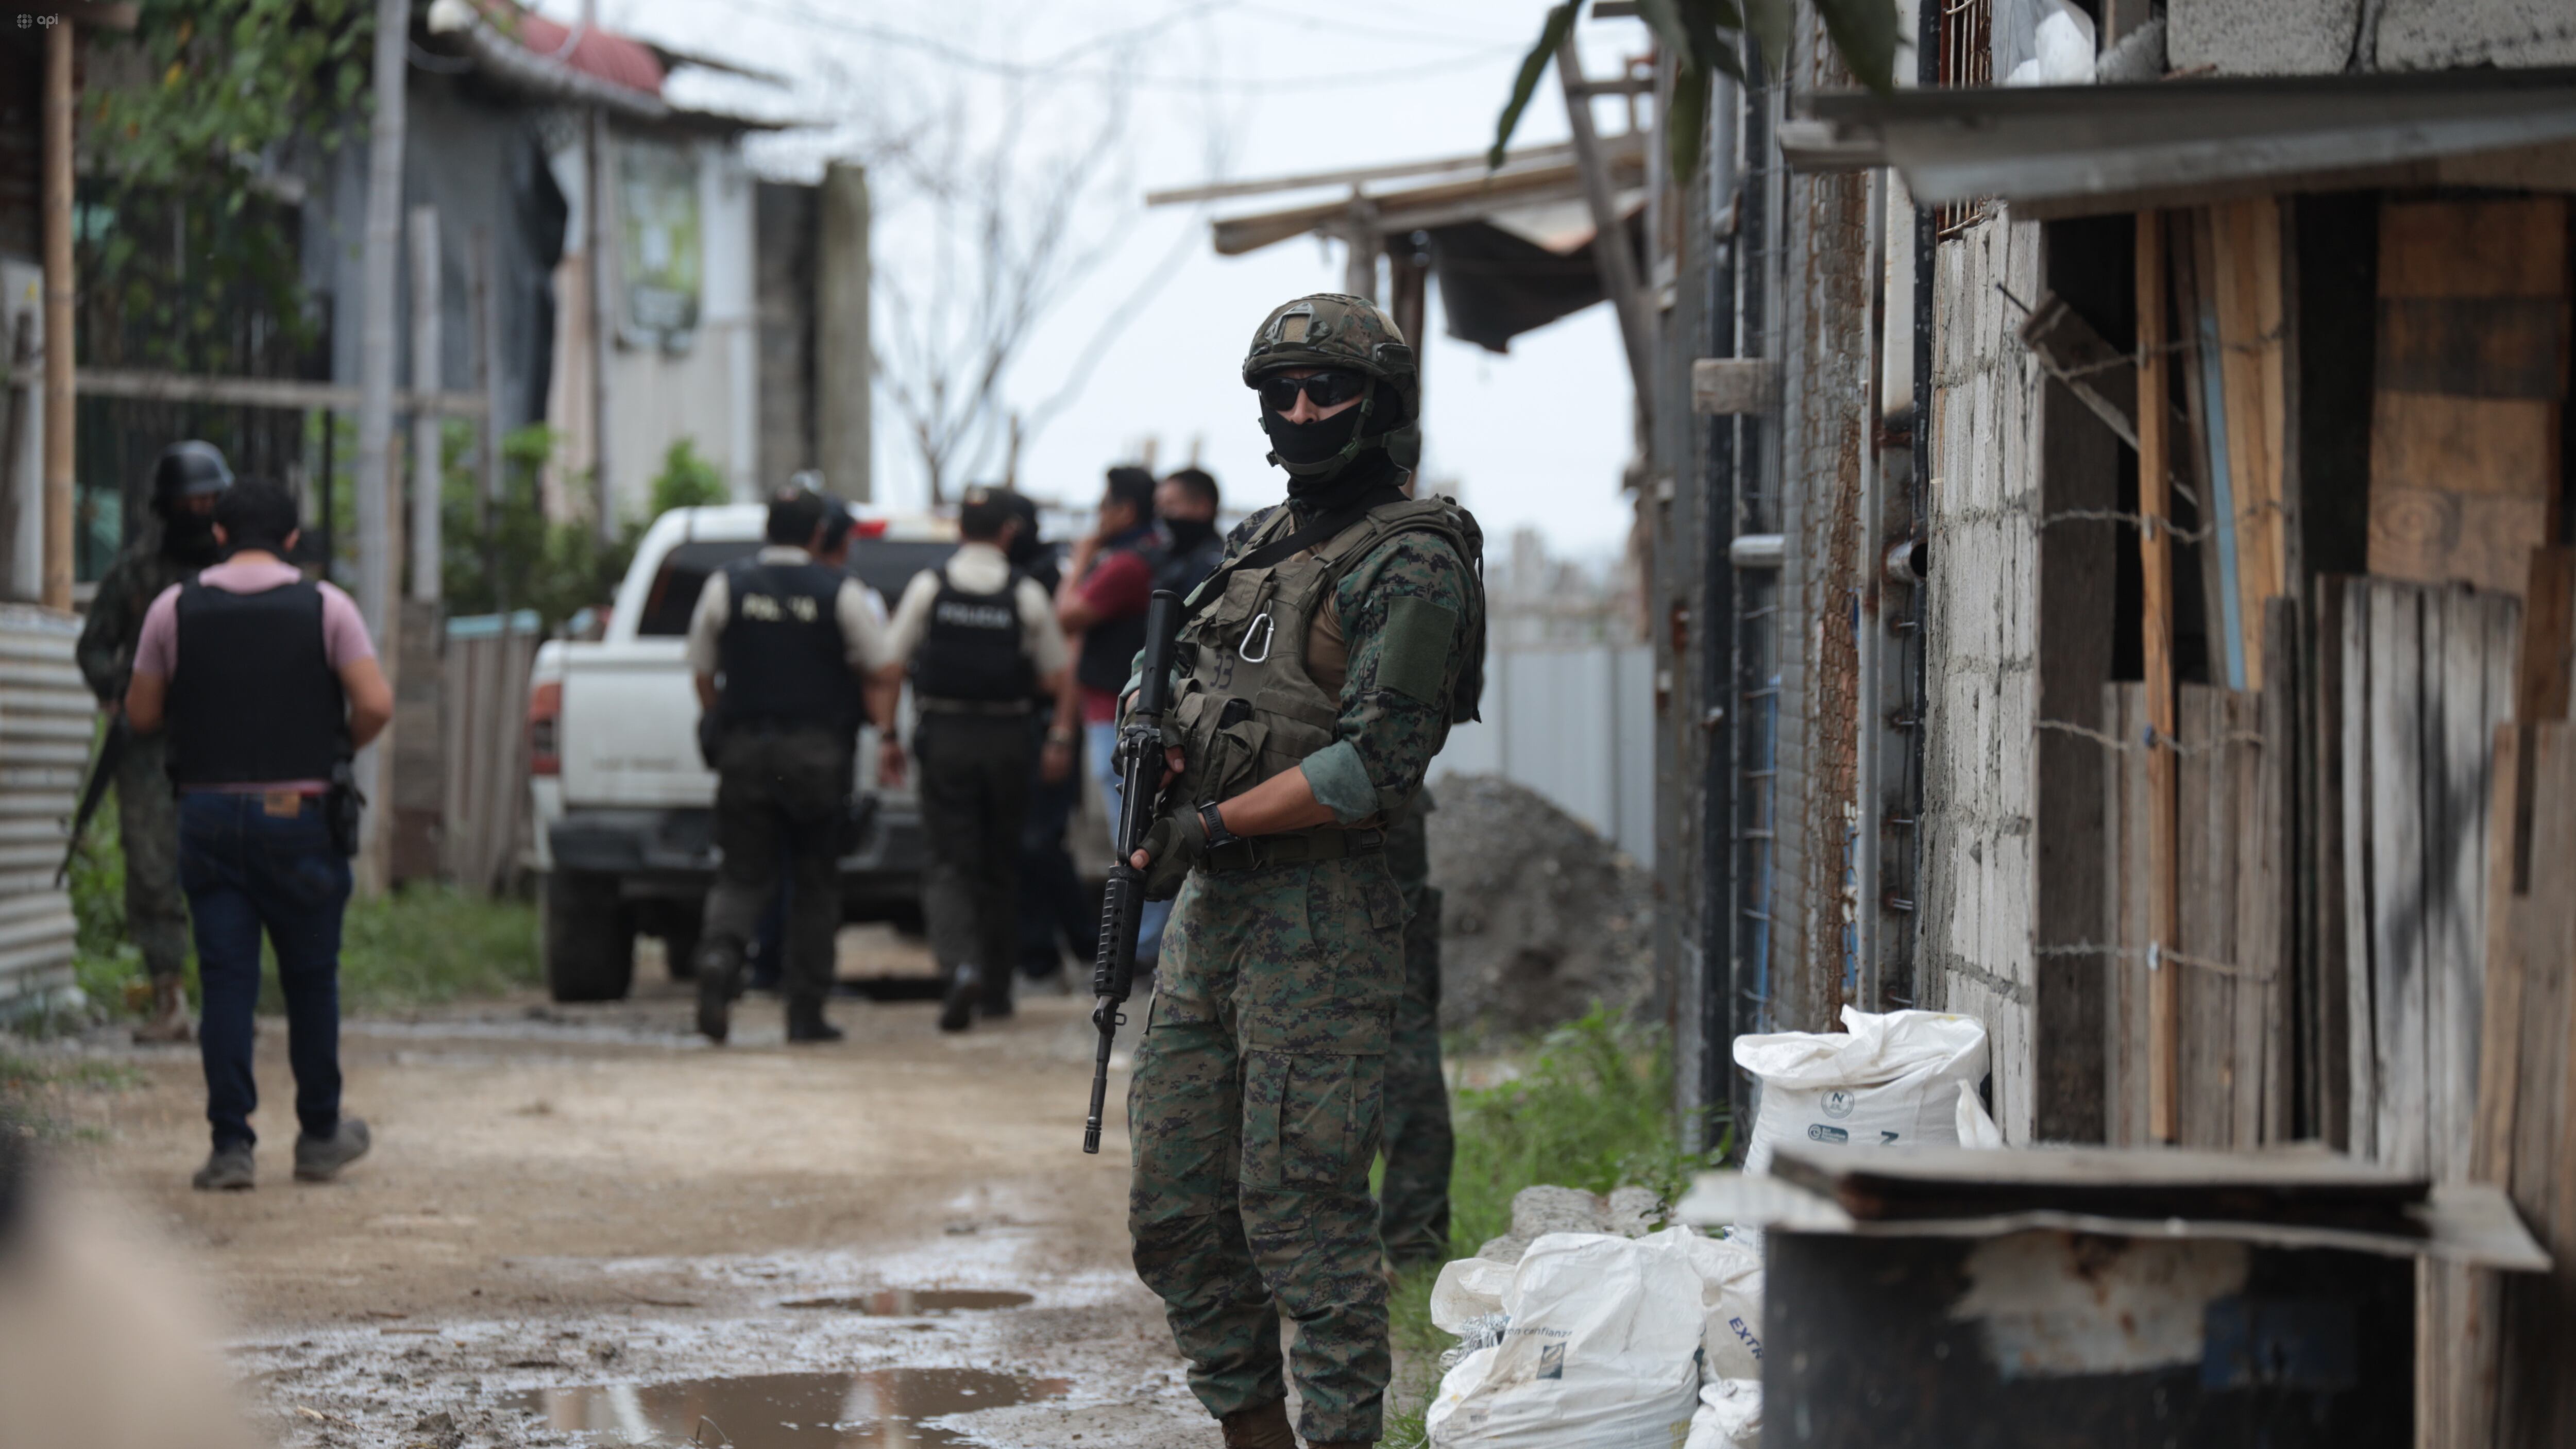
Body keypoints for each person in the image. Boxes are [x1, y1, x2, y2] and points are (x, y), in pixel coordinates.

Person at [1124, 293, 1485, 1449]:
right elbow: (1185, 682)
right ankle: (1252, 1431)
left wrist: (1215, 826)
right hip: (1216, 911)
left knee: (1303, 1210)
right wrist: (1154, 743)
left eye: (1326, 390)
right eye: (1281, 392)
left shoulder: (1414, 558)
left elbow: (1377, 757)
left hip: (1323, 911)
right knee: (1176, 1208)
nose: (1300, 410)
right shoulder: (1258, 545)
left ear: (1379, 407)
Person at [121, 480, 393, 1191]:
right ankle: (320, 1133)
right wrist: (332, 749)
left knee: (226, 983)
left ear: (218, 535)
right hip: (299, 817)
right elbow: (375, 704)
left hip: (208, 818)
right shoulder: (327, 606)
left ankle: (231, 1146)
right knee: (310, 979)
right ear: (295, 541)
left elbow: (142, 713)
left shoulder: (172, 607)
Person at [687, 486, 891, 1044]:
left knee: (742, 874)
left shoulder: (726, 584)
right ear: (819, 535)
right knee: (814, 883)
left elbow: (702, 668)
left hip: (746, 752)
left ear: (766, 529)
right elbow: (880, 664)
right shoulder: (841, 591)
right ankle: (804, 1012)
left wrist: (718, 719)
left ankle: (720, 959)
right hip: (816, 757)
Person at [878, 486, 1070, 1032]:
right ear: (1007, 532)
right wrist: (1055, 731)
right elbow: (1055, 675)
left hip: (945, 735)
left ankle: (960, 966)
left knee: (947, 861)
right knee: (999, 861)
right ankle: (997, 989)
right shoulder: (1025, 592)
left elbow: (891, 665)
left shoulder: (929, 587)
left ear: (959, 528)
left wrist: (889, 735)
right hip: (1007, 736)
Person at [75, 440, 231, 1044]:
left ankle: (227, 993)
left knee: (223, 868)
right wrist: (124, 688)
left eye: (210, 500)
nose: (200, 510)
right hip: (146, 747)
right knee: (150, 869)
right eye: (189, 501)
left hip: (219, 743)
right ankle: (169, 993)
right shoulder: (135, 574)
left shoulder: (233, 577)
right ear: (167, 506)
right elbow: (92, 646)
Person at [1057, 466, 1175, 967]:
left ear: (1123, 510)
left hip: (1115, 717)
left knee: (1133, 838)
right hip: (1115, 710)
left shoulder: (1125, 563)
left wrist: (1081, 557)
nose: (1096, 517)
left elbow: (1066, 614)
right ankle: (1145, 948)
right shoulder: (1147, 552)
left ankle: (1144, 951)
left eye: (1102, 506)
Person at [1005, 491, 1094, 986]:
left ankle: (1074, 948)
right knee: (1027, 845)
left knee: (1039, 842)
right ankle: (1043, 953)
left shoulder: (1049, 574)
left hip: (1049, 726)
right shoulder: (1007, 575)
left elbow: (1070, 658)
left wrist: (1061, 732)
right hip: (1015, 729)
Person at [1376, 789, 1451, 1270]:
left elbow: (1456, 710)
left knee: (1401, 1035)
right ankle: (1291, 1258)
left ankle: (1414, 1256)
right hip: (1247, 820)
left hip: (1376, 809)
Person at [1153, 465, 1225, 598]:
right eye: (1160, 506)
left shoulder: (1213, 567)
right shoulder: (1168, 556)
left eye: (1171, 505)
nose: (1162, 514)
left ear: (1203, 506)